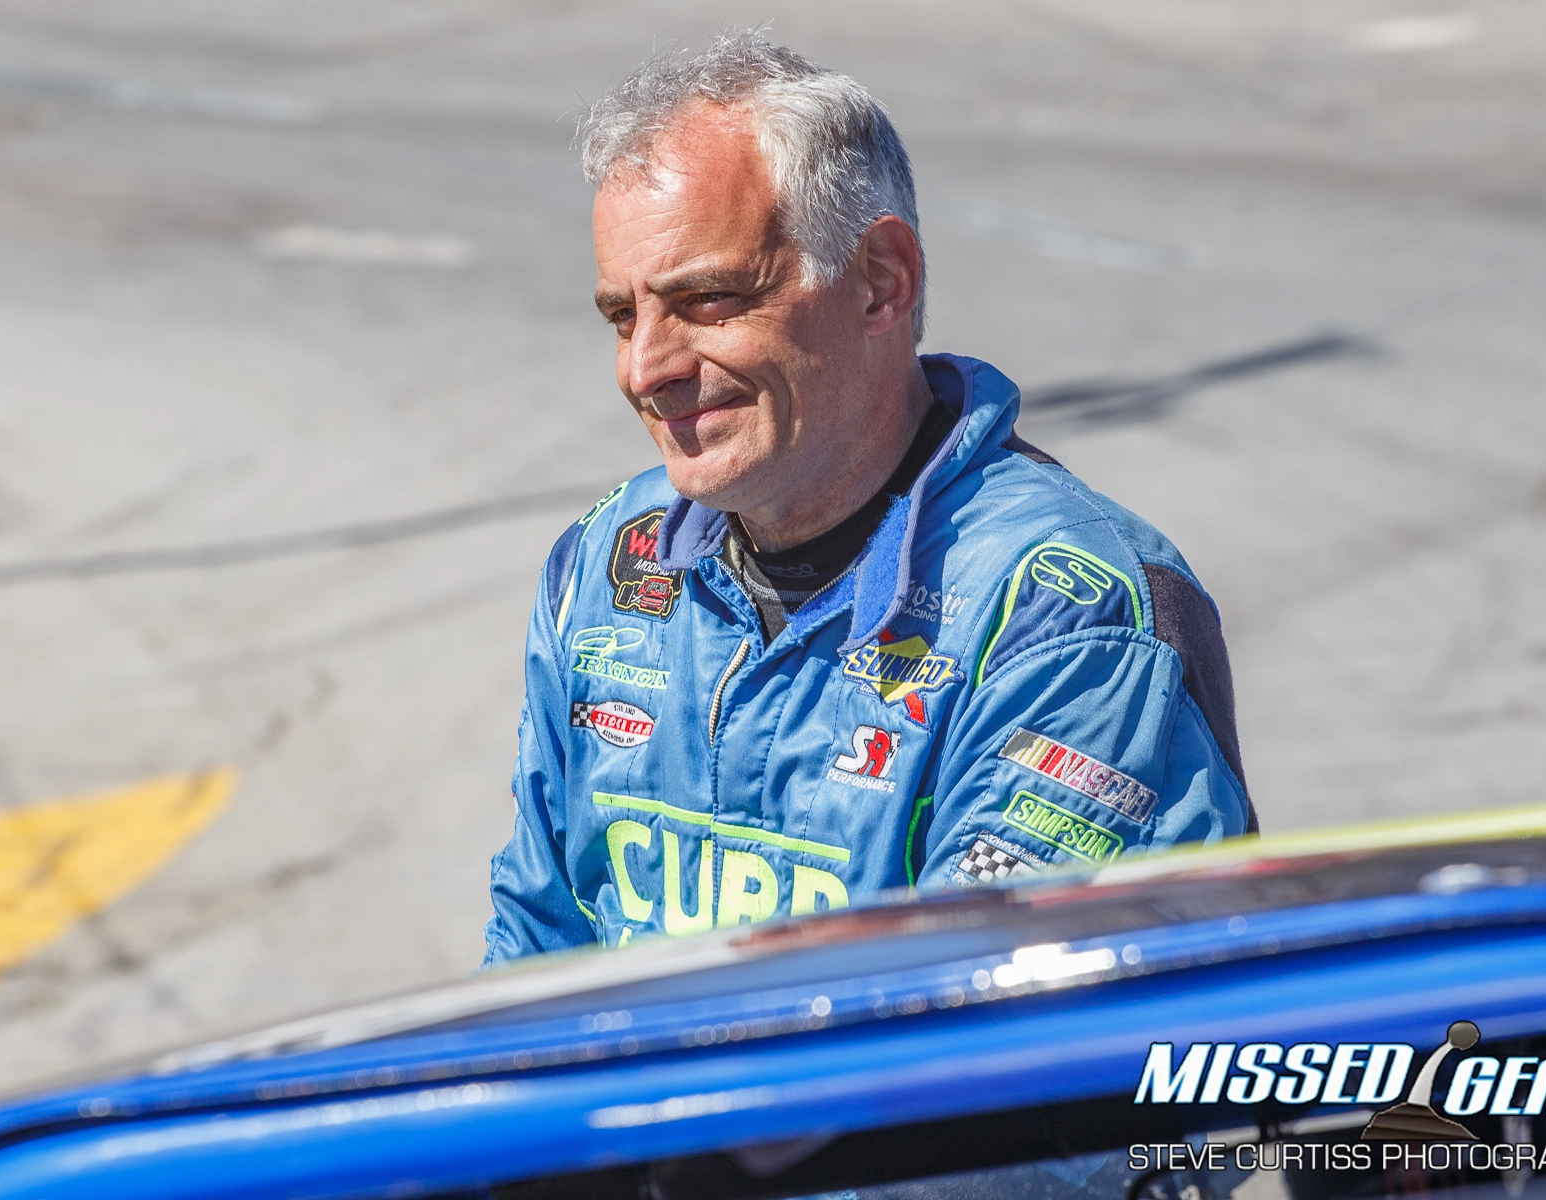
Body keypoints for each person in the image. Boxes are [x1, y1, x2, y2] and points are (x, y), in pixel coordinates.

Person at [483, 31, 1253, 963]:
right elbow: (532, 951)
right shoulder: (607, 566)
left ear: (881, 284)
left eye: (707, 300)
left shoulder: (1062, 611)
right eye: (622, 315)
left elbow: (991, 1015)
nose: (645, 369)